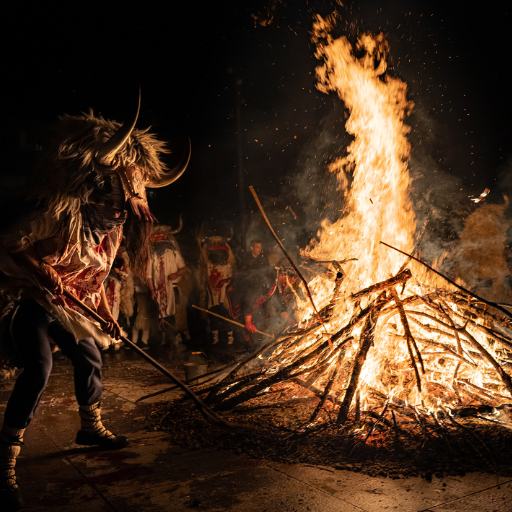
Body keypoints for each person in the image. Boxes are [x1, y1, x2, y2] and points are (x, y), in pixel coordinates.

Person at [0, 98, 189, 511]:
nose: (122, 214)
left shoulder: (111, 233)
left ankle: (90, 428)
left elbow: (96, 282)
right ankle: (6, 461)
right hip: (33, 300)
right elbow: (11, 242)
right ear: (99, 193)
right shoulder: (61, 215)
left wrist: (105, 316)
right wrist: (40, 267)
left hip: (73, 308)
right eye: (118, 205)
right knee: (39, 367)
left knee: (91, 356)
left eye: (126, 210)